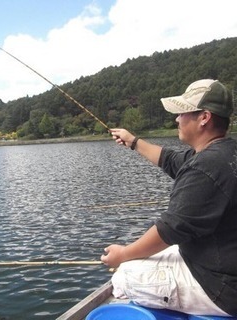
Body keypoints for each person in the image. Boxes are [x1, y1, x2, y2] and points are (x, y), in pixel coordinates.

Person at [101, 79, 237, 316]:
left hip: (222, 288)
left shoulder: (206, 167)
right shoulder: (224, 152)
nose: (177, 119)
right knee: (150, 254)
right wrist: (134, 142)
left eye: (182, 112)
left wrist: (123, 254)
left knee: (124, 274)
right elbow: (172, 160)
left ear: (204, 117)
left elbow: (170, 229)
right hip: (220, 262)